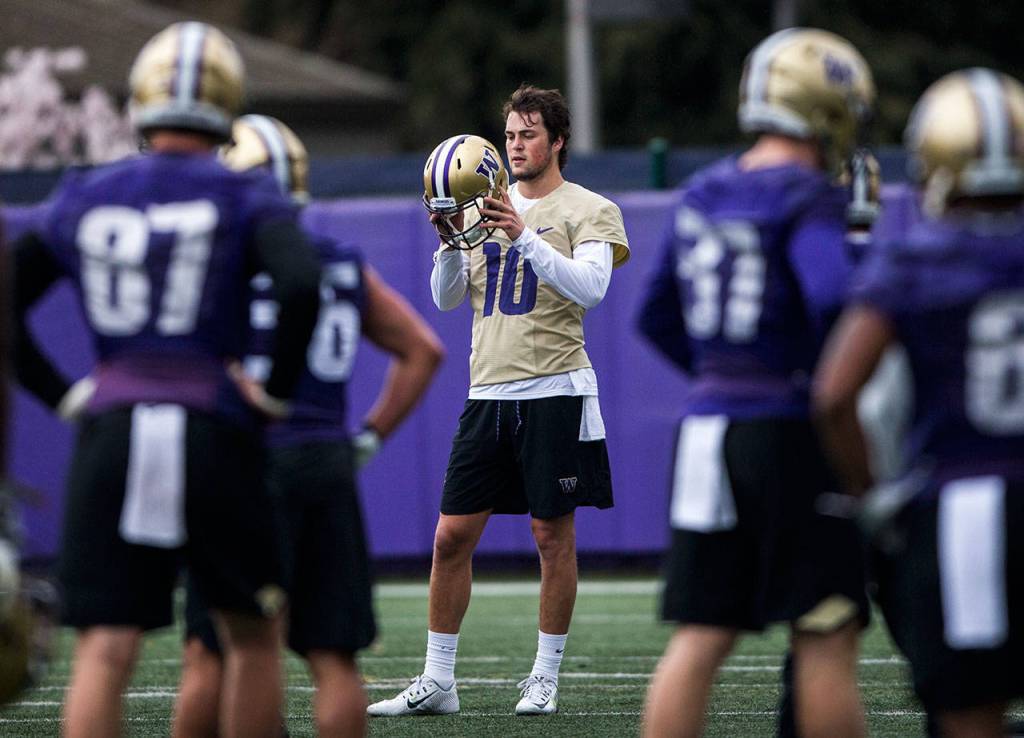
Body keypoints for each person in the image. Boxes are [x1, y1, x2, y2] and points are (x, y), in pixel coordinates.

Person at [11, 23, 322, 738]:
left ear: (143, 98)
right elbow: (301, 282)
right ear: (228, 101)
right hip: (212, 422)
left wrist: (65, 393)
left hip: (115, 423)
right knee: (250, 634)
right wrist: (273, 390)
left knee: (105, 647)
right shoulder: (246, 195)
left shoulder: (87, 190)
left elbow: (4, 296)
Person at [171, 114, 445, 738]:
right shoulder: (339, 264)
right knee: (332, 659)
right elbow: (423, 350)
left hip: (247, 461)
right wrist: (368, 437)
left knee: (214, 652)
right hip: (324, 460)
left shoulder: (218, 267)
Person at [635, 28, 873, 738]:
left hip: (708, 423)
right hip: (789, 426)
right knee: (825, 631)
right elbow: (833, 299)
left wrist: (721, 372)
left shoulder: (702, 191)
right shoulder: (805, 196)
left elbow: (654, 315)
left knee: (701, 634)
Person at [367, 84, 629, 718]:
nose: (516, 145)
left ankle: (543, 676)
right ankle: (439, 680)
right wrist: (452, 241)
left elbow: (591, 288)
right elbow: (447, 299)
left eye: (529, 133)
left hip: (557, 387)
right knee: (450, 538)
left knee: (551, 535)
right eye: (510, 134)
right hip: (488, 389)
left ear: (557, 140)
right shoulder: (484, 204)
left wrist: (524, 237)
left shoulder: (588, 208)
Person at [814, 67, 1024, 738]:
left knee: (968, 713)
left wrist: (874, 499)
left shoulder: (914, 260)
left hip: (963, 511)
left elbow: (835, 396)